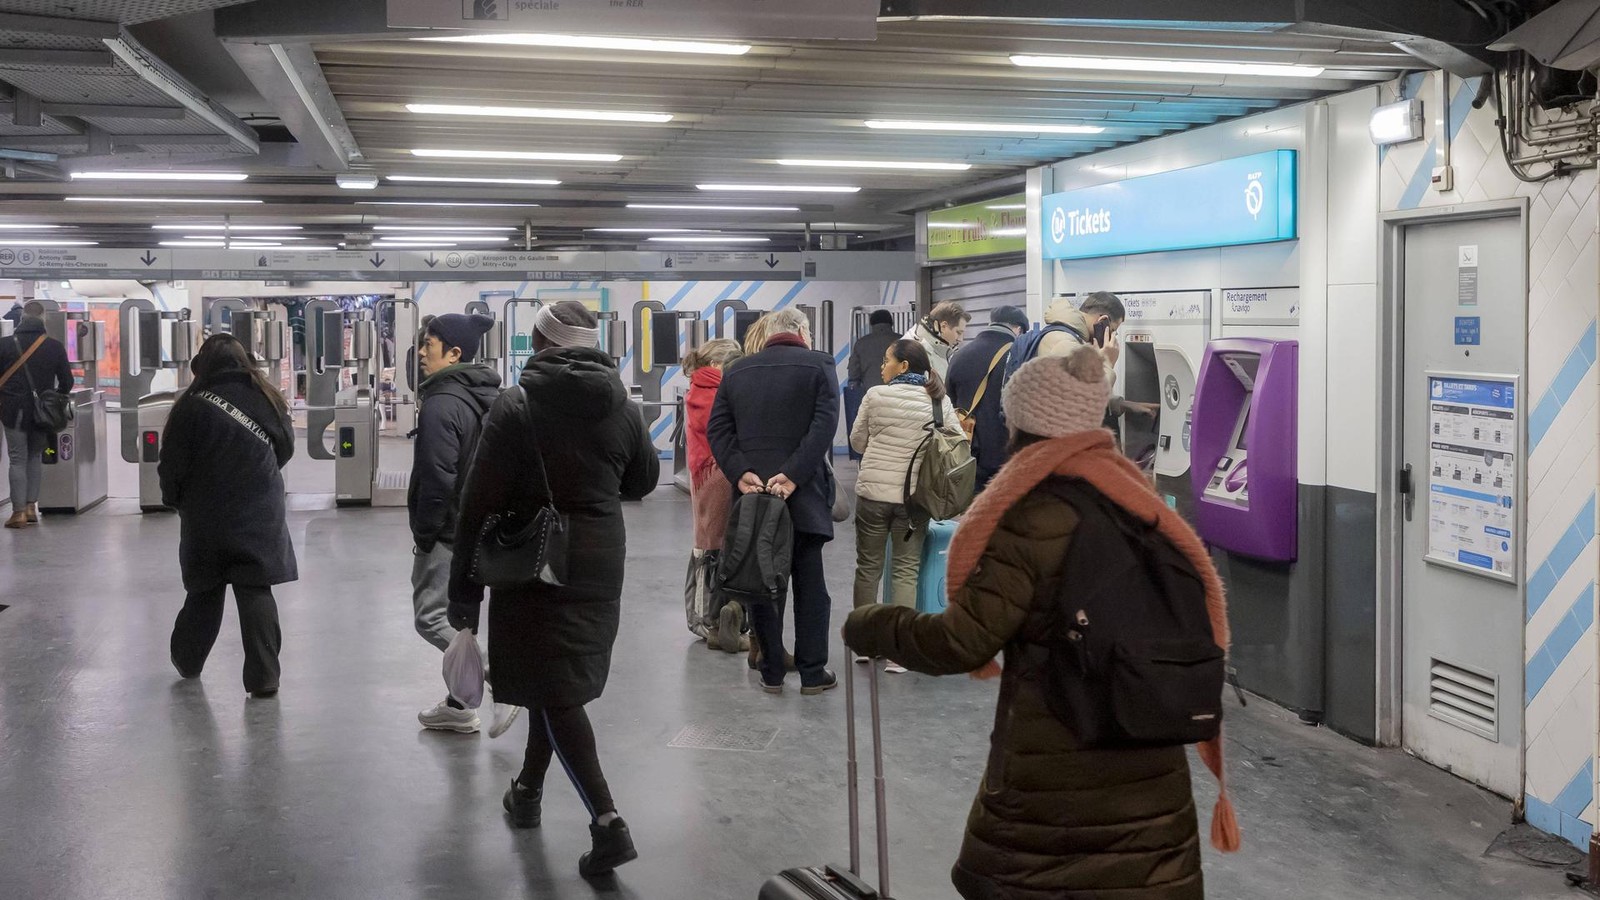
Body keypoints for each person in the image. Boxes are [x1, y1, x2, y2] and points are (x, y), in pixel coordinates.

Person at [843, 346, 1239, 900]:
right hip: (1154, 798)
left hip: (1057, 797)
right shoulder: (1140, 503)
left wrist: (873, 624)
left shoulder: (1033, 517)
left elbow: (959, 642)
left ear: (1024, 424)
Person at [447, 300, 658, 877]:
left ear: (539, 342)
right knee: (555, 679)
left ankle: (607, 822)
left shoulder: (517, 404)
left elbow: (477, 502)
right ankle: (528, 792)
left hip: (533, 562)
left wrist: (464, 590)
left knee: (556, 690)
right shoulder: (622, 403)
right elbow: (642, 480)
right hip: (598, 558)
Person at [707, 307, 840, 696]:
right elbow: (824, 426)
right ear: (801, 330)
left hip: (753, 498)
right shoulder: (820, 366)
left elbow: (718, 429)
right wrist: (794, 475)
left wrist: (740, 472)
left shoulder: (736, 371)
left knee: (762, 581)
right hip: (802, 496)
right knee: (810, 585)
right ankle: (813, 673)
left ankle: (771, 673)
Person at [159, 334, 296, 699]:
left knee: (205, 589)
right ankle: (264, 677)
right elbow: (285, 447)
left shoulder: (190, 406)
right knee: (255, 589)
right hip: (259, 509)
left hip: (206, 514)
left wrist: (174, 499)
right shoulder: (267, 397)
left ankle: (188, 660)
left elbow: (171, 464)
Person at [408, 313, 505, 734]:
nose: (422, 354)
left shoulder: (442, 402)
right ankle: (459, 703)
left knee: (431, 617)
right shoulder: (487, 395)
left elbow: (437, 477)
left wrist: (424, 534)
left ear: (454, 353)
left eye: (429, 346)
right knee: (462, 619)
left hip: (448, 528)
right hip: (481, 526)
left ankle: (499, 679)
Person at [849, 339, 959, 673]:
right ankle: (898, 654)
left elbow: (856, 441)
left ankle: (866, 644)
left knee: (868, 567)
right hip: (914, 500)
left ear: (904, 366)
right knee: (905, 570)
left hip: (873, 495)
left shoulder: (875, 396)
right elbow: (956, 441)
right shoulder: (938, 400)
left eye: (886, 360)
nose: (882, 367)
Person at [682, 337, 748, 653]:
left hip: (707, 475)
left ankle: (712, 618)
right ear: (719, 365)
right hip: (717, 475)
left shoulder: (701, 387)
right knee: (713, 546)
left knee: (712, 545)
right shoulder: (712, 391)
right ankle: (708, 620)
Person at [0, 313, 74, 529]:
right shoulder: (54, 346)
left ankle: (18, 513)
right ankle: (31, 507)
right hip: (43, 413)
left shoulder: (4, 345)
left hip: (13, 410)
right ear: (42, 328)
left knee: (17, 459)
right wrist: (53, 398)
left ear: (19, 327)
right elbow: (67, 381)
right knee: (34, 457)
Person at [946, 305, 1029, 491]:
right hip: (1005, 456)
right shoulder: (1017, 356)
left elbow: (949, 402)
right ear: (1018, 329)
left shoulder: (959, 355)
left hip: (965, 453)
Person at [845, 310, 901, 461]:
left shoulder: (862, 343)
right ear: (892, 323)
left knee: (871, 443)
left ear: (871, 324)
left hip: (871, 401)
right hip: (899, 402)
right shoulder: (902, 342)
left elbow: (853, 374)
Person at [904, 301, 970, 379]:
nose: (960, 339)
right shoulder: (914, 353)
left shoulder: (941, 350)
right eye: (958, 332)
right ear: (944, 326)